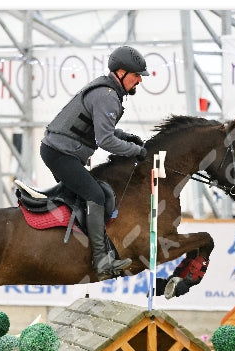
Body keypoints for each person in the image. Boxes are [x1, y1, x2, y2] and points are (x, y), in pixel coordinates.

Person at [40, 45, 149, 281]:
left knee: (91, 194)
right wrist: (136, 151)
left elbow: (101, 129)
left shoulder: (107, 91)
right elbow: (105, 140)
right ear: (121, 72)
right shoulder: (108, 95)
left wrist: (125, 136)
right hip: (61, 154)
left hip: (61, 151)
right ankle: (101, 260)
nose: (140, 80)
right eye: (137, 75)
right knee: (95, 195)